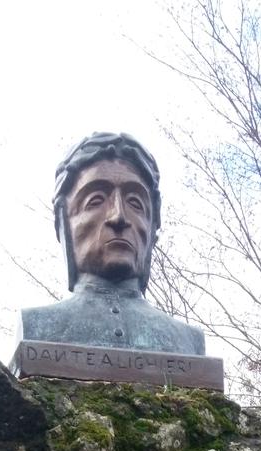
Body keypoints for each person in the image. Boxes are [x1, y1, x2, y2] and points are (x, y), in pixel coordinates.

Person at [14, 132, 206, 359]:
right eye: (95, 200)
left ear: (153, 224)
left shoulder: (188, 341)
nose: (118, 217)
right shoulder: (38, 326)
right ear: (63, 223)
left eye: (135, 202)